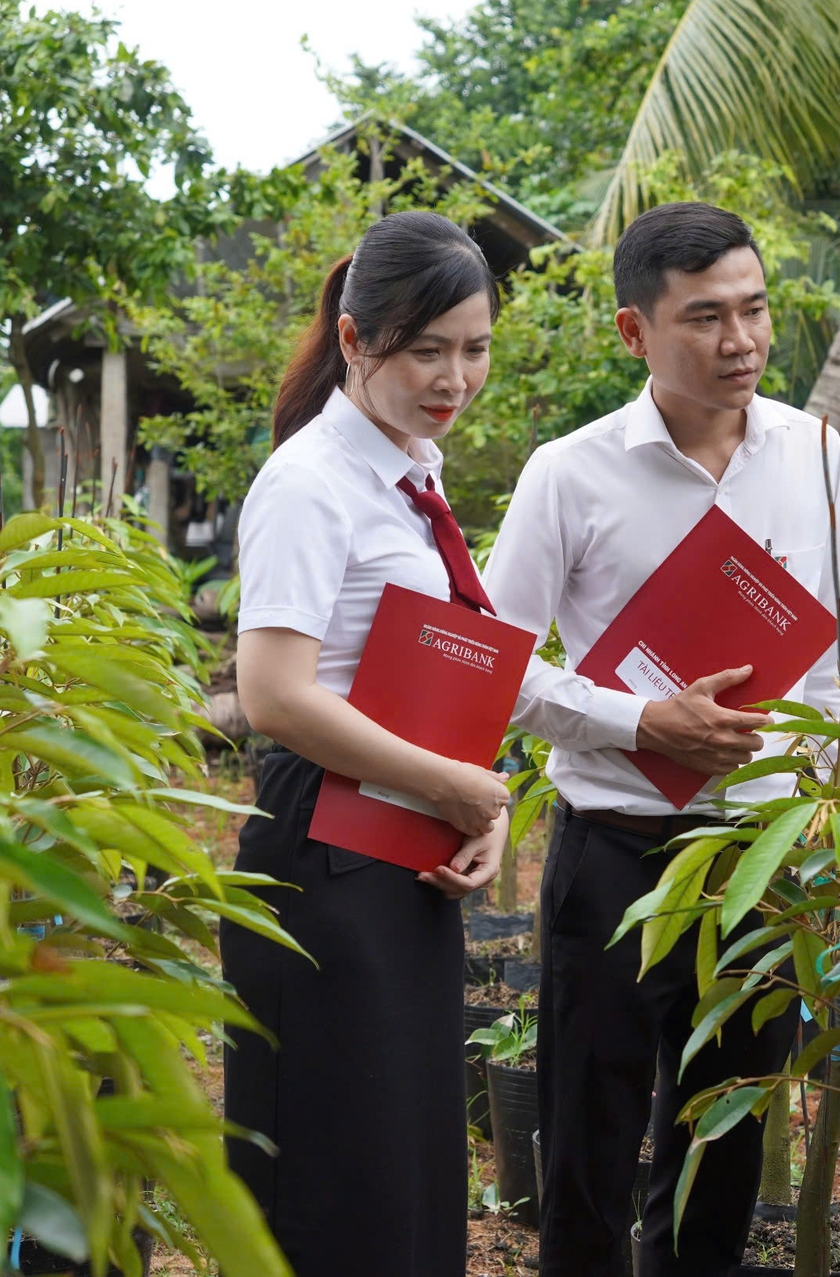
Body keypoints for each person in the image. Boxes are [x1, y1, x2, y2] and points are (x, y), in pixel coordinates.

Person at [482, 200, 840, 1277]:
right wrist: (639, 717)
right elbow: (493, 663)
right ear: (632, 331)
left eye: (753, 311)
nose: (740, 341)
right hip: (614, 849)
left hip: (761, 862)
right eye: (704, 317)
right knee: (584, 1147)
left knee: (722, 1152)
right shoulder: (569, 472)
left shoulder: (815, 452)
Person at [223, 210, 514, 1277]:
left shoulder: (410, 472)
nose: (455, 375)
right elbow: (275, 693)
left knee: (402, 1164)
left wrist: (483, 803)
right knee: (333, 1176)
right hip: (321, 859)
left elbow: (430, 680)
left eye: (473, 346)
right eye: (425, 348)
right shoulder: (312, 483)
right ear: (355, 340)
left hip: (398, 852)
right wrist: (450, 781)